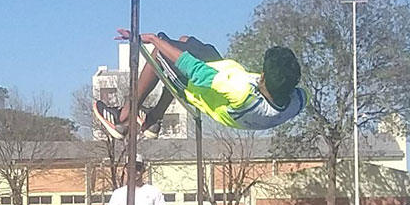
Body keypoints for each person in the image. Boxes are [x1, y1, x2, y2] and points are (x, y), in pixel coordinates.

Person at [95, 30, 306, 139]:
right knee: (186, 40)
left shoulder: (240, 91)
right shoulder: (297, 102)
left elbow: (193, 69)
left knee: (161, 51)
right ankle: (153, 120)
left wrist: (152, 39)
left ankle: (123, 117)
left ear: (262, 77)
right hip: (221, 72)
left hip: (198, 87)